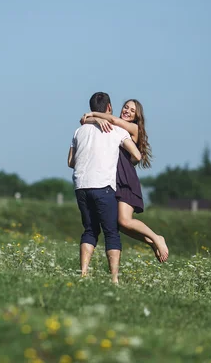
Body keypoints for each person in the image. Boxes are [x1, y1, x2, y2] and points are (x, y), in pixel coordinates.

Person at [81, 99, 169, 263]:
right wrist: (97, 119)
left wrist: (93, 114)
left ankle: (157, 238)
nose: (127, 111)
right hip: (112, 180)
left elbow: (111, 120)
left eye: (132, 110)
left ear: (137, 117)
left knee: (124, 220)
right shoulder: (115, 126)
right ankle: (151, 241)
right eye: (126, 107)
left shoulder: (133, 128)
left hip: (125, 179)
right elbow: (85, 121)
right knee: (119, 225)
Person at [68, 92, 142, 284]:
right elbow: (137, 156)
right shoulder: (117, 131)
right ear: (109, 108)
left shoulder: (79, 131)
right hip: (103, 186)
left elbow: (70, 162)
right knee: (111, 232)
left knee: (90, 230)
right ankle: (115, 279)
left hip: (81, 186)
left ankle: (83, 273)